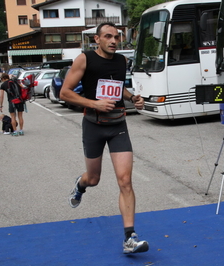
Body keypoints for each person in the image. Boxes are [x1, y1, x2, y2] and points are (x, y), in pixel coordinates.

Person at [60, 22, 149, 254]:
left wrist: (133, 98)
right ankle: (80, 186)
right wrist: (94, 103)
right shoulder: (84, 59)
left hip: (118, 125)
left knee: (125, 181)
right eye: (108, 36)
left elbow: (117, 89)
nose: (113, 41)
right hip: (93, 126)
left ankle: (130, 238)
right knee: (94, 178)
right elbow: (65, 92)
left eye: (117, 37)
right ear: (97, 39)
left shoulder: (121, 61)